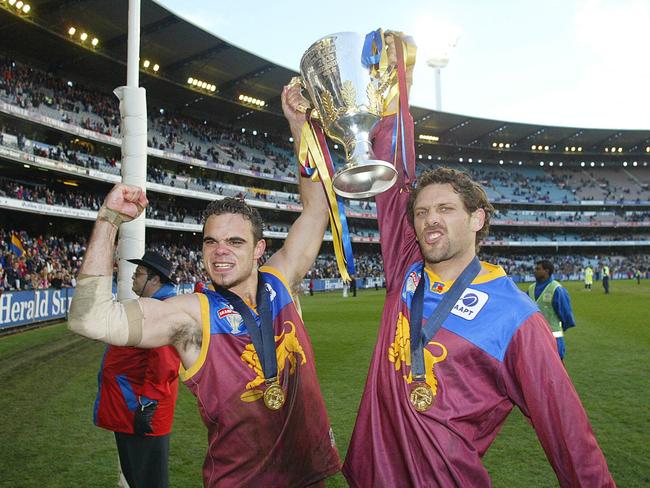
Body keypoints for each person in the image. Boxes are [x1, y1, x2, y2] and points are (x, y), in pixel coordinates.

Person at [342, 45, 615, 484]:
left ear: (477, 219)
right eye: (422, 212)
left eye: (446, 209)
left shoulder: (516, 317)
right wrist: (396, 88)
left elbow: (568, 434)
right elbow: (394, 185)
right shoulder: (406, 269)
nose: (430, 219)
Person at [68, 84, 340, 487]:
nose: (220, 252)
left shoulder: (281, 282)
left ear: (259, 249)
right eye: (211, 242)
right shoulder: (192, 313)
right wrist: (108, 221)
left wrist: (300, 125)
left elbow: (317, 208)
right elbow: (89, 318)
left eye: (234, 242)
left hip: (309, 475)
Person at [94, 251, 180, 488]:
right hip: (132, 411)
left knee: (147, 482)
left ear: (155, 280)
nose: (133, 277)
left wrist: (147, 405)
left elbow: (164, 364)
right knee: (137, 479)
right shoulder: (154, 306)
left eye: (139, 274)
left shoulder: (162, 310)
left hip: (141, 415)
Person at [528, 260, 576, 360]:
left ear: (546, 271)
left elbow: (566, 315)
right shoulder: (531, 288)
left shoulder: (557, 289)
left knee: (554, 372)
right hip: (534, 339)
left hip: (553, 340)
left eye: (538, 269)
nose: (534, 271)